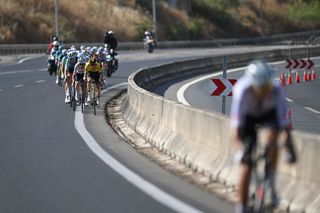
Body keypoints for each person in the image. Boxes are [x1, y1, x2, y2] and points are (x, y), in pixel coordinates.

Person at [230, 60, 297, 213]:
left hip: (269, 114)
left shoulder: (277, 90)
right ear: (252, 84)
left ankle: (271, 182)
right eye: (260, 88)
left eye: (267, 87)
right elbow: (235, 131)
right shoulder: (242, 90)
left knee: (273, 139)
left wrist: (290, 148)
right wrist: (241, 150)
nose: (264, 91)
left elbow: (284, 125)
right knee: (246, 165)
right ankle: (241, 207)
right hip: (249, 116)